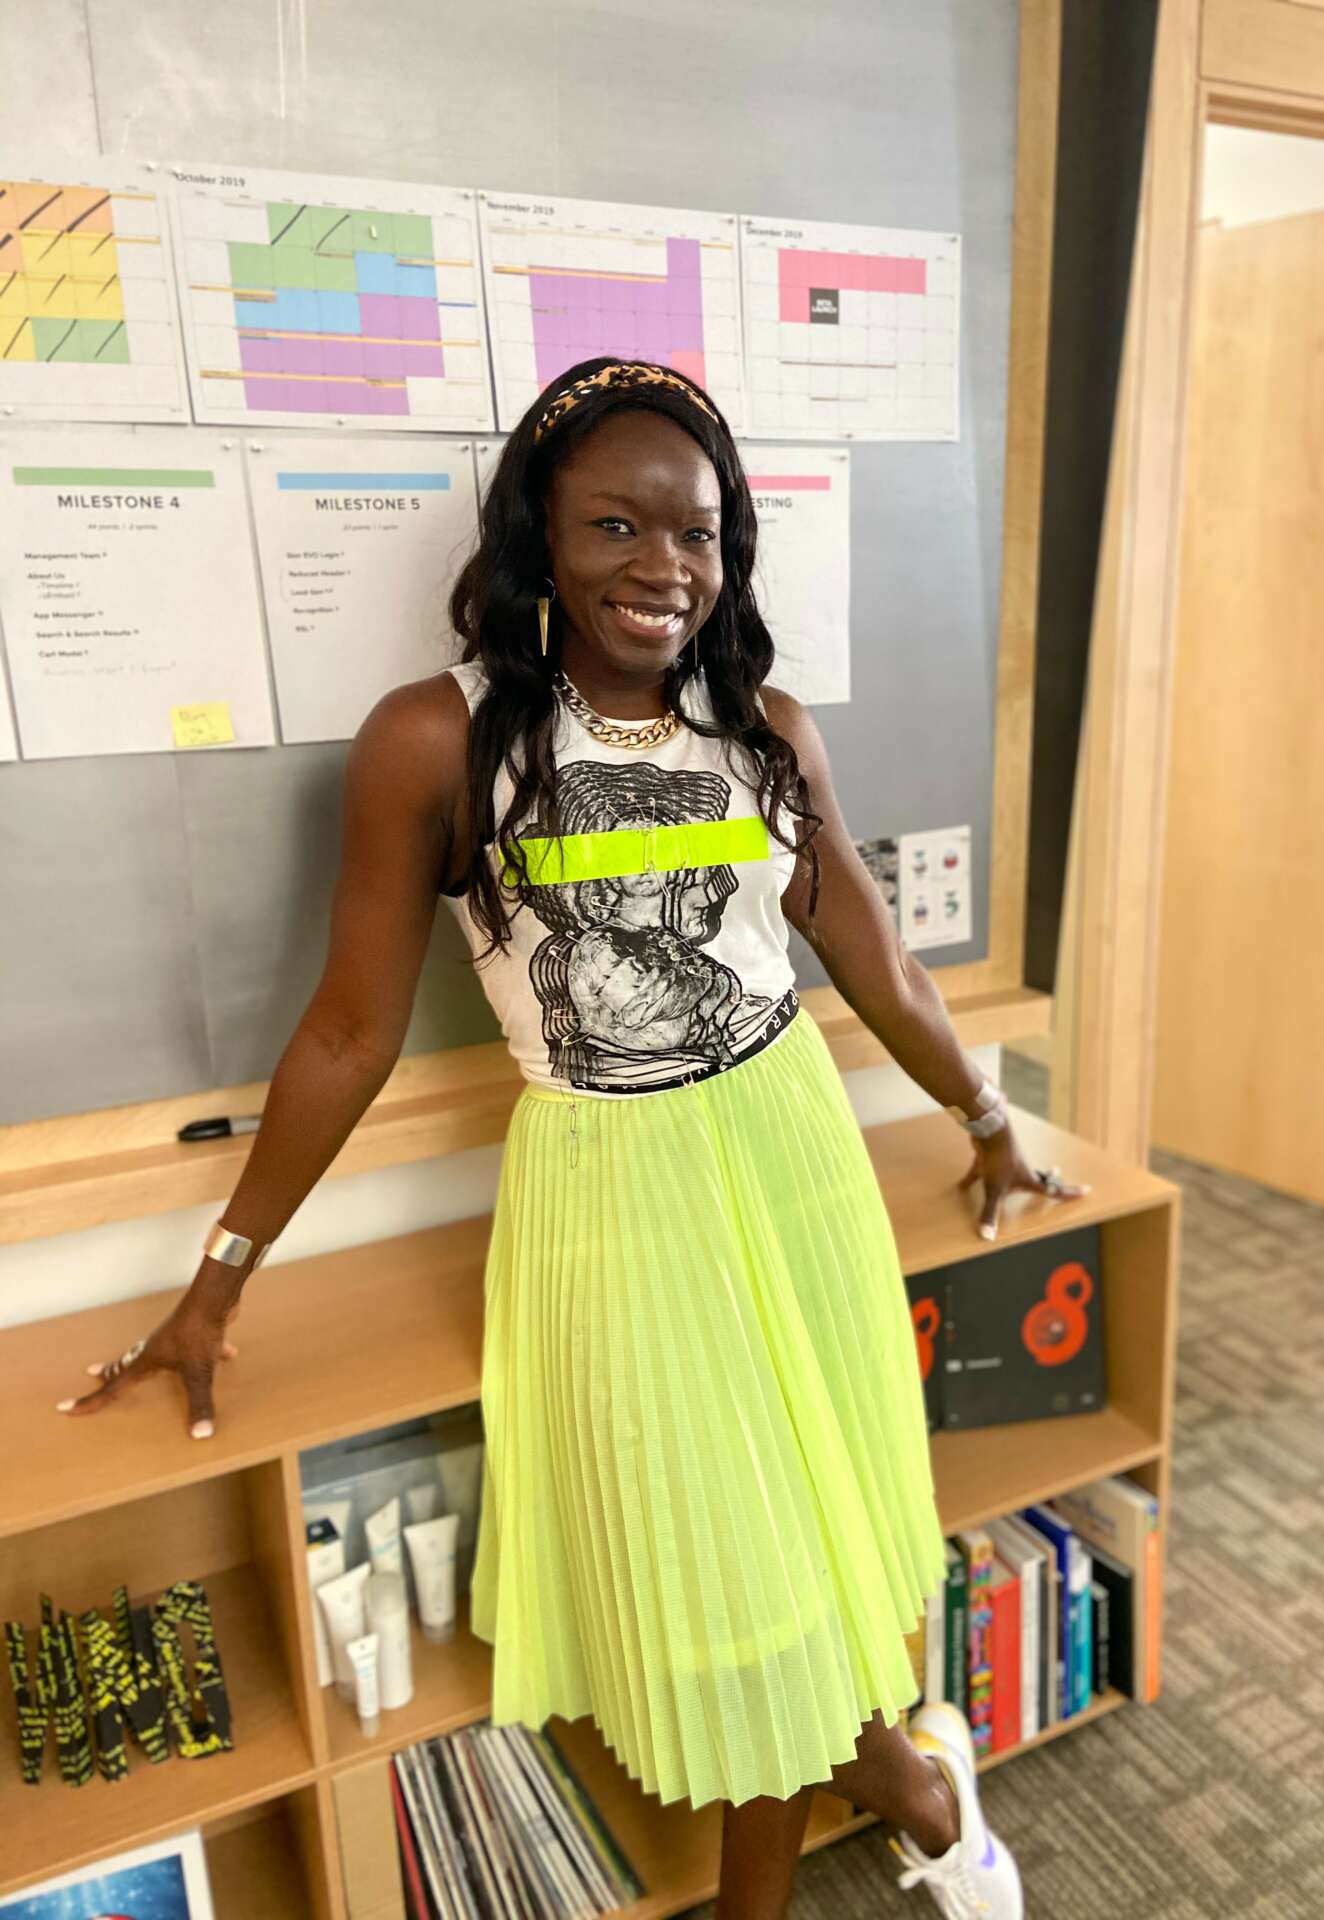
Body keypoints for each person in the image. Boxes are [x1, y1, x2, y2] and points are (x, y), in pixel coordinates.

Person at [57, 356, 1086, 1917]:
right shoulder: (436, 741)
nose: (664, 566)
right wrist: (220, 1275)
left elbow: (872, 959)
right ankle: (925, 1791)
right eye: (617, 525)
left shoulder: (765, 729)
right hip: (608, 1194)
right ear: (538, 533)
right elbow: (346, 1033)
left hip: (787, 1162)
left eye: (698, 533)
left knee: (795, 1559)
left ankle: (892, 1808)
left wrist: (990, 1119)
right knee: (727, 1583)